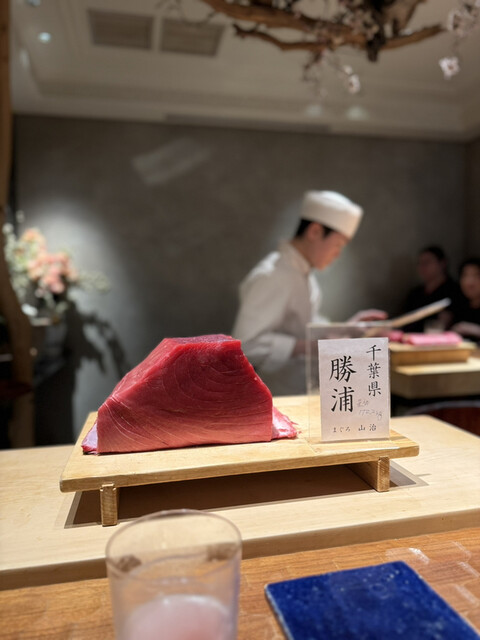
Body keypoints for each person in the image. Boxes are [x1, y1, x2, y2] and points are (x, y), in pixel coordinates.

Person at [232, 191, 386, 395]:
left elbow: (303, 326)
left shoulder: (303, 274)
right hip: (275, 394)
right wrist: (311, 347)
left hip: (298, 388)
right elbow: (247, 345)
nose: (337, 254)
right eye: (338, 244)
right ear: (315, 232)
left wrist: (347, 328)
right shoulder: (273, 275)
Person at [403, 246, 462, 332]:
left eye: (427, 262)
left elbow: (443, 325)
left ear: (442, 263)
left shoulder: (453, 291)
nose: (422, 267)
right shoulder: (415, 293)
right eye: (420, 263)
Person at [450, 258, 480, 341]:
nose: (469, 282)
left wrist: (474, 329)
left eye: (477, 276)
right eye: (465, 276)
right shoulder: (458, 305)